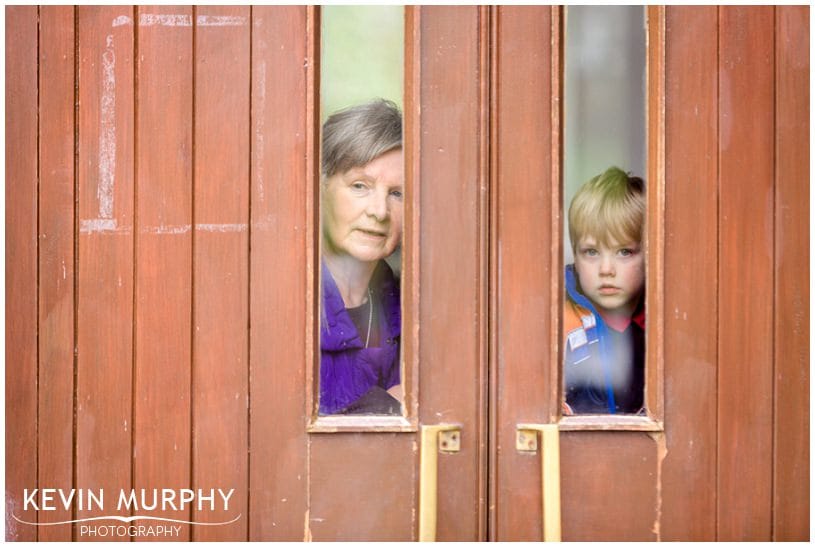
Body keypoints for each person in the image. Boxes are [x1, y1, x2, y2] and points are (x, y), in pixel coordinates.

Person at [319, 99, 403, 415]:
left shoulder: (408, 304)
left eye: (398, 194)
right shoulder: (282, 301)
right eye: (360, 186)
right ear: (321, 188)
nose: (379, 211)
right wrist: (389, 403)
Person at [563, 166, 646, 415]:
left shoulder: (665, 325)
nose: (606, 269)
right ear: (575, 256)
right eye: (591, 252)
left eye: (624, 252)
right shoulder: (560, 323)